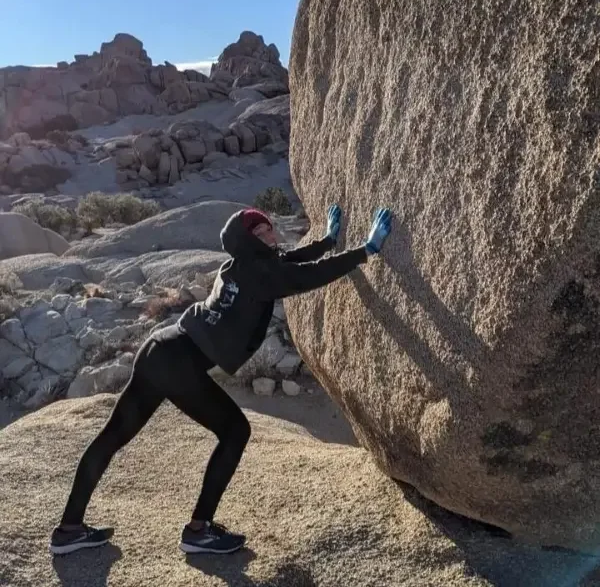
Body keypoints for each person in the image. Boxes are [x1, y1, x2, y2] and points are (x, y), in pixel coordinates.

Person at [49, 203, 393, 556]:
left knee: (112, 436)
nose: (271, 235)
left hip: (159, 348)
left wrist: (326, 241)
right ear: (249, 240)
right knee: (235, 431)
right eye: (262, 232)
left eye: (270, 228)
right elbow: (305, 276)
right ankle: (199, 531)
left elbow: (285, 263)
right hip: (178, 361)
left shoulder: (239, 265)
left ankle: (69, 529)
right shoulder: (259, 272)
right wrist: (365, 251)